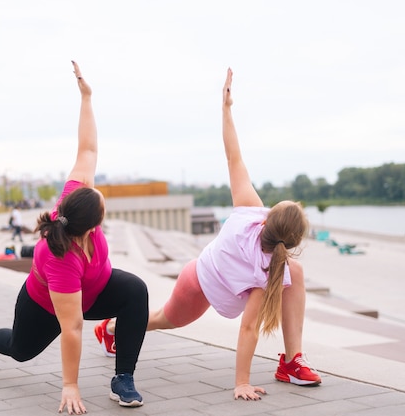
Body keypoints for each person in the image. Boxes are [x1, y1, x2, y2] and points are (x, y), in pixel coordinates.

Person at [94, 68, 321, 402]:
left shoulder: (251, 214)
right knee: (161, 320)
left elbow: (233, 157)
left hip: (213, 275)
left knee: (295, 274)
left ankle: (292, 360)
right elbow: (248, 329)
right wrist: (241, 383)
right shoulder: (264, 266)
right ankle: (110, 328)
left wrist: (226, 110)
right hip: (198, 282)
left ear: (270, 216)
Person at [0, 61, 149, 414]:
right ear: (93, 225)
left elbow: (88, 150)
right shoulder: (60, 258)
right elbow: (73, 327)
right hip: (49, 304)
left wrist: (87, 98)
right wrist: (70, 385)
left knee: (136, 290)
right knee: (20, 350)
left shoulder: (73, 201)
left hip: (95, 287)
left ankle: (123, 376)